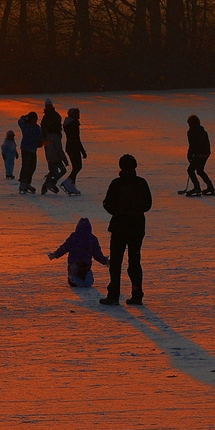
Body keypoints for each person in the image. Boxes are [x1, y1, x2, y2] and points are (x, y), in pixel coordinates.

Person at [99, 155, 152, 305]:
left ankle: (114, 294)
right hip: (137, 226)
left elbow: (107, 203)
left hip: (119, 226)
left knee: (116, 262)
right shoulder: (141, 183)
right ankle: (137, 294)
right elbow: (148, 204)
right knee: (134, 261)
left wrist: (119, 212)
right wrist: (135, 211)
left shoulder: (117, 183)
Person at [48, 217, 109, 287]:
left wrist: (55, 254)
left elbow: (64, 247)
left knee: (73, 277)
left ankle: (74, 278)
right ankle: (85, 277)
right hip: (86, 264)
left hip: (74, 262)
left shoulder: (74, 236)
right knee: (84, 272)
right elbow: (97, 254)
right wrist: (105, 261)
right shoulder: (92, 238)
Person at [40, 99, 67, 194]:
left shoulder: (55, 116)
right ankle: (50, 183)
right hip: (52, 152)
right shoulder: (46, 118)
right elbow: (59, 149)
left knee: (53, 170)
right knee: (57, 170)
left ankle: (48, 184)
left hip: (50, 150)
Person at [186, 114, 215, 197]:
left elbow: (192, 145)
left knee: (191, 170)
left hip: (199, 154)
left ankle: (197, 188)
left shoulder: (191, 131)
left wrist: (190, 155)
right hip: (206, 153)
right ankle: (210, 187)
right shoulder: (202, 130)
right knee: (199, 170)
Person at [62, 108, 87, 195]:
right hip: (74, 147)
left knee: (76, 167)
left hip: (70, 147)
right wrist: (82, 151)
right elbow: (76, 138)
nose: (78, 115)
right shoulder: (73, 124)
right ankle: (68, 182)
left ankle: (72, 185)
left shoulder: (69, 123)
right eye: (76, 114)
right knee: (78, 166)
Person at [17, 111, 42, 193]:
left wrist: (40, 142)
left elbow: (40, 137)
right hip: (26, 148)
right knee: (25, 166)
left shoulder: (37, 128)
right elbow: (20, 121)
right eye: (33, 119)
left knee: (32, 166)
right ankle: (23, 183)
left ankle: (28, 182)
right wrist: (25, 117)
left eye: (36, 119)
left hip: (33, 149)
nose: (35, 121)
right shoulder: (26, 126)